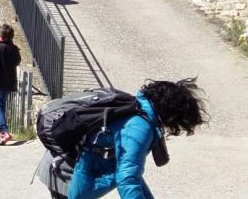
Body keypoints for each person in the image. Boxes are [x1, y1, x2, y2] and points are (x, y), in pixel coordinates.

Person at [59, 78, 206, 199]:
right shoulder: (139, 127)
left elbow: (130, 173)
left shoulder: (139, 108)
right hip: (72, 173)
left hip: (86, 168)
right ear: (173, 114)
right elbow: (127, 180)